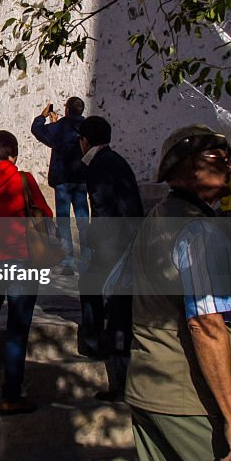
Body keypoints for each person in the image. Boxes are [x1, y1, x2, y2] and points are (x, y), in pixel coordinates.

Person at [126, 125, 231, 461]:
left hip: (151, 389)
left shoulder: (158, 218)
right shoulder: (198, 231)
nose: (229, 165)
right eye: (217, 157)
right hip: (194, 399)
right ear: (185, 170)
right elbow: (207, 326)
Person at [0, 129, 53, 415]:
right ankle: (11, 393)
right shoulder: (23, 179)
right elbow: (45, 214)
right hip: (21, 256)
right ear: (11, 153)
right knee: (18, 324)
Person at [77, 116, 143, 399]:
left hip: (113, 241)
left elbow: (103, 206)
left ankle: (97, 347)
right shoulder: (114, 160)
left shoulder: (99, 166)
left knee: (103, 296)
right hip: (127, 237)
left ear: (85, 141)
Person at [31, 97, 89, 275]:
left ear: (67, 109)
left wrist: (43, 116)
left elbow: (38, 131)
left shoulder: (59, 128)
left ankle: (68, 262)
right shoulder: (88, 127)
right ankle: (87, 259)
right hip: (81, 179)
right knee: (83, 220)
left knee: (64, 222)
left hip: (62, 179)